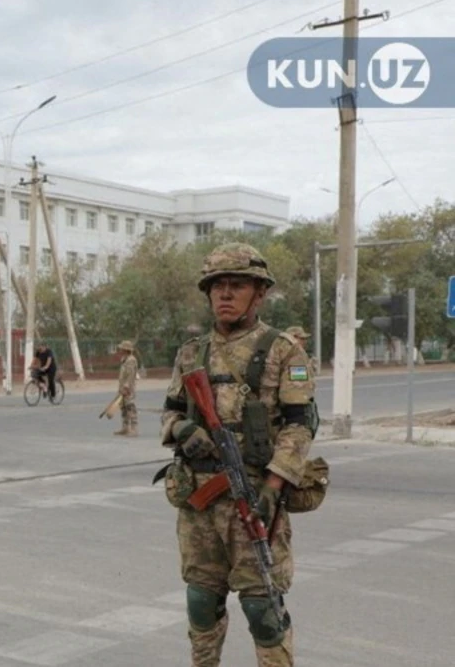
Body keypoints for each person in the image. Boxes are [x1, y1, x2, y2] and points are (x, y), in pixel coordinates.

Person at [160, 243, 316, 667]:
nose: (225, 295)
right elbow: (170, 412)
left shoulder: (285, 351)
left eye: (236, 286)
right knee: (200, 600)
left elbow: (302, 424)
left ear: (259, 294)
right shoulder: (191, 353)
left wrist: (273, 485)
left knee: (263, 607)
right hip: (201, 504)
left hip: (256, 497)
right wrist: (183, 429)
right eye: (217, 287)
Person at [115, 340, 139, 436]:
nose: (120, 350)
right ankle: (125, 428)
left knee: (130, 407)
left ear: (125, 350)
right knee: (123, 407)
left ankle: (134, 428)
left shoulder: (131, 360)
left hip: (128, 388)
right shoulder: (124, 359)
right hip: (122, 386)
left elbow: (130, 375)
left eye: (121, 349)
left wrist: (126, 387)